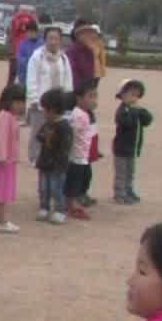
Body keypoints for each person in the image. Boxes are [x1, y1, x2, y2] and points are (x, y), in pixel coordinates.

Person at [26, 26, 74, 165]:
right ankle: (35, 157)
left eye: (56, 39)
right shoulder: (37, 57)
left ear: (60, 40)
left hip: (58, 103)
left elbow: (68, 79)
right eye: (50, 38)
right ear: (45, 39)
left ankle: (54, 156)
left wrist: (68, 98)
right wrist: (34, 98)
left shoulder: (63, 58)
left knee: (57, 131)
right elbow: (32, 79)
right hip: (41, 103)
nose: (53, 42)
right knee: (38, 130)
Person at [0, 83, 26, 234]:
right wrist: (2, 156)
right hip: (5, 160)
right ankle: (2, 220)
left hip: (8, 159)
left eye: (22, 102)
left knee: (3, 190)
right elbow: (1, 138)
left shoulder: (9, 117)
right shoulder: (6, 117)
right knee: (2, 192)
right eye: (17, 102)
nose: (20, 105)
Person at [35, 88, 72, 225]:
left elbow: (65, 147)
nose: (43, 112)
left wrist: (60, 163)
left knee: (57, 188)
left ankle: (59, 210)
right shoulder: (47, 124)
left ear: (53, 110)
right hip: (44, 162)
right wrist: (44, 135)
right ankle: (44, 208)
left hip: (57, 165)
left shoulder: (64, 127)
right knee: (43, 188)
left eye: (45, 109)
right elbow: (39, 136)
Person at [112, 79, 153, 205]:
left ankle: (128, 190)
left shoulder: (136, 109)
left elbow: (148, 120)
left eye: (136, 95)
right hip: (121, 149)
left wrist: (141, 111)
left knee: (130, 173)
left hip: (133, 149)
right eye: (131, 95)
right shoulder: (122, 110)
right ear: (122, 95)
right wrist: (134, 111)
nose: (134, 98)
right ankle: (120, 194)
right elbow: (126, 122)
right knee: (121, 173)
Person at [66, 84, 99, 220]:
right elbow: (72, 134)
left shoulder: (86, 114)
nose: (94, 100)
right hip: (77, 155)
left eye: (95, 96)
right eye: (90, 96)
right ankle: (72, 205)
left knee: (81, 178)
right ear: (79, 98)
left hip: (82, 155)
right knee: (74, 180)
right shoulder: (79, 115)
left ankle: (72, 202)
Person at [8, 5, 38, 85]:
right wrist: (29, 14)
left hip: (16, 54)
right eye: (24, 11)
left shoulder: (17, 20)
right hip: (17, 55)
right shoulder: (19, 21)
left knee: (13, 78)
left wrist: (23, 13)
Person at [67, 20, 98, 92]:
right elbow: (73, 75)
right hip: (76, 92)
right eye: (85, 33)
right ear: (78, 35)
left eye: (89, 33)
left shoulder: (90, 50)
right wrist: (83, 92)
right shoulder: (71, 51)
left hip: (88, 91)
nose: (89, 36)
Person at [15, 21, 41, 88]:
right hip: (24, 77)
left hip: (39, 78)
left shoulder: (42, 43)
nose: (30, 34)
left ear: (36, 32)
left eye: (32, 32)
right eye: (28, 32)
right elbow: (20, 60)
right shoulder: (23, 44)